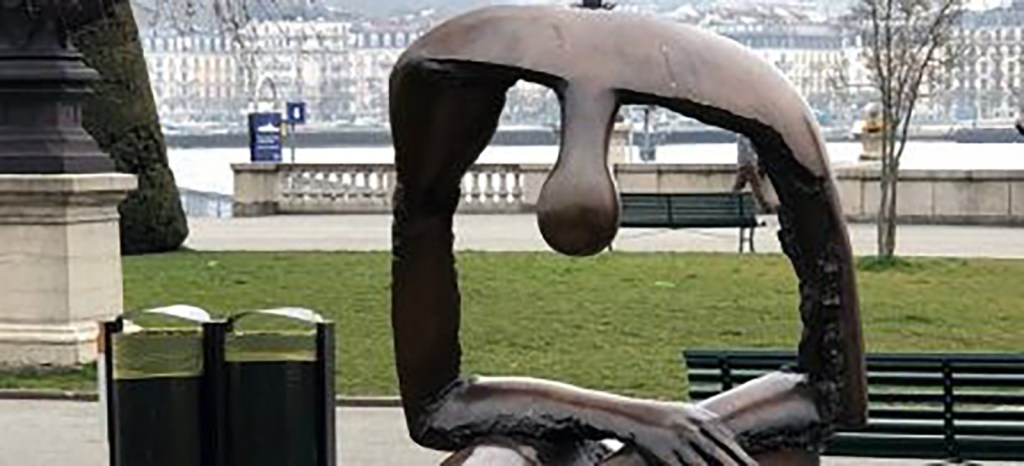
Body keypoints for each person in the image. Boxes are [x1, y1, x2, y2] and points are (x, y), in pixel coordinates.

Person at [732, 135, 775, 213]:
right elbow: (749, 151)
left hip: (744, 164)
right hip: (748, 165)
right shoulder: (744, 137)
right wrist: (754, 162)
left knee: (740, 185)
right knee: (756, 186)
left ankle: (731, 201)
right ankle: (764, 206)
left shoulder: (741, 137)